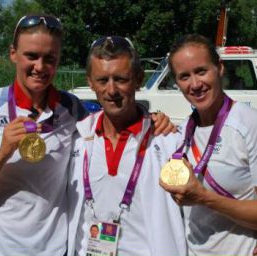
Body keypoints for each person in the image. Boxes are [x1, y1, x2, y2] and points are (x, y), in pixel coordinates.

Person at [0, 15, 173, 256]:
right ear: (13, 54)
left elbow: (115, 116)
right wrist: (1, 155)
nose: (40, 67)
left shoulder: (73, 109)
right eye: (31, 56)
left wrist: (154, 119)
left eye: (49, 58)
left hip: (54, 251)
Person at [160, 34, 257, 255]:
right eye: (184, 76)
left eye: (201, 71)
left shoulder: (255, 126)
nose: (195, 84)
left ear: (219, 69)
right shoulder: (180, 133)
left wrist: (204, 198)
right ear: (177, 83)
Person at [66, 36, 187, 256]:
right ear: (90, 82)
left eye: (120, 79)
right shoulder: (77, 139)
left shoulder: (167, 141)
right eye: (102, 80)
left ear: (138, 79)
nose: (111, 90)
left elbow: (202, 204)